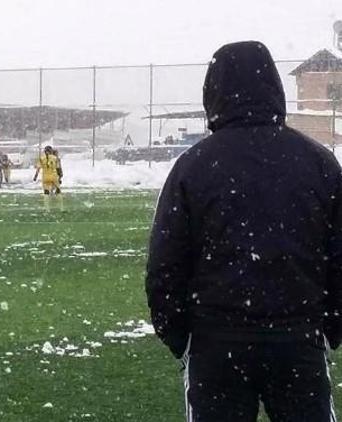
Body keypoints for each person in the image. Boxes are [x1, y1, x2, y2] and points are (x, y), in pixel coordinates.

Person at [146, 41, 342, 422]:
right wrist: (328, 327)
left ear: (212, 92)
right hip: (295, 339)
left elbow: (165, 266)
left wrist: (182, 336)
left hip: (219, 343)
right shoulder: (318, 162)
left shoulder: (193, 167)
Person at [33, 145, 62, 211]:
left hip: (45, 176)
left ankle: (47, 209)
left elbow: (38, 168)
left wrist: (35, 176)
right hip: (54, 176)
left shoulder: (41, 158)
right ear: (51, 151)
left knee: (46, 192)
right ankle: (61, 208)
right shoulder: (55, 158)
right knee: (58, 191)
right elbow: (58, 168)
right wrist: (59, 177)